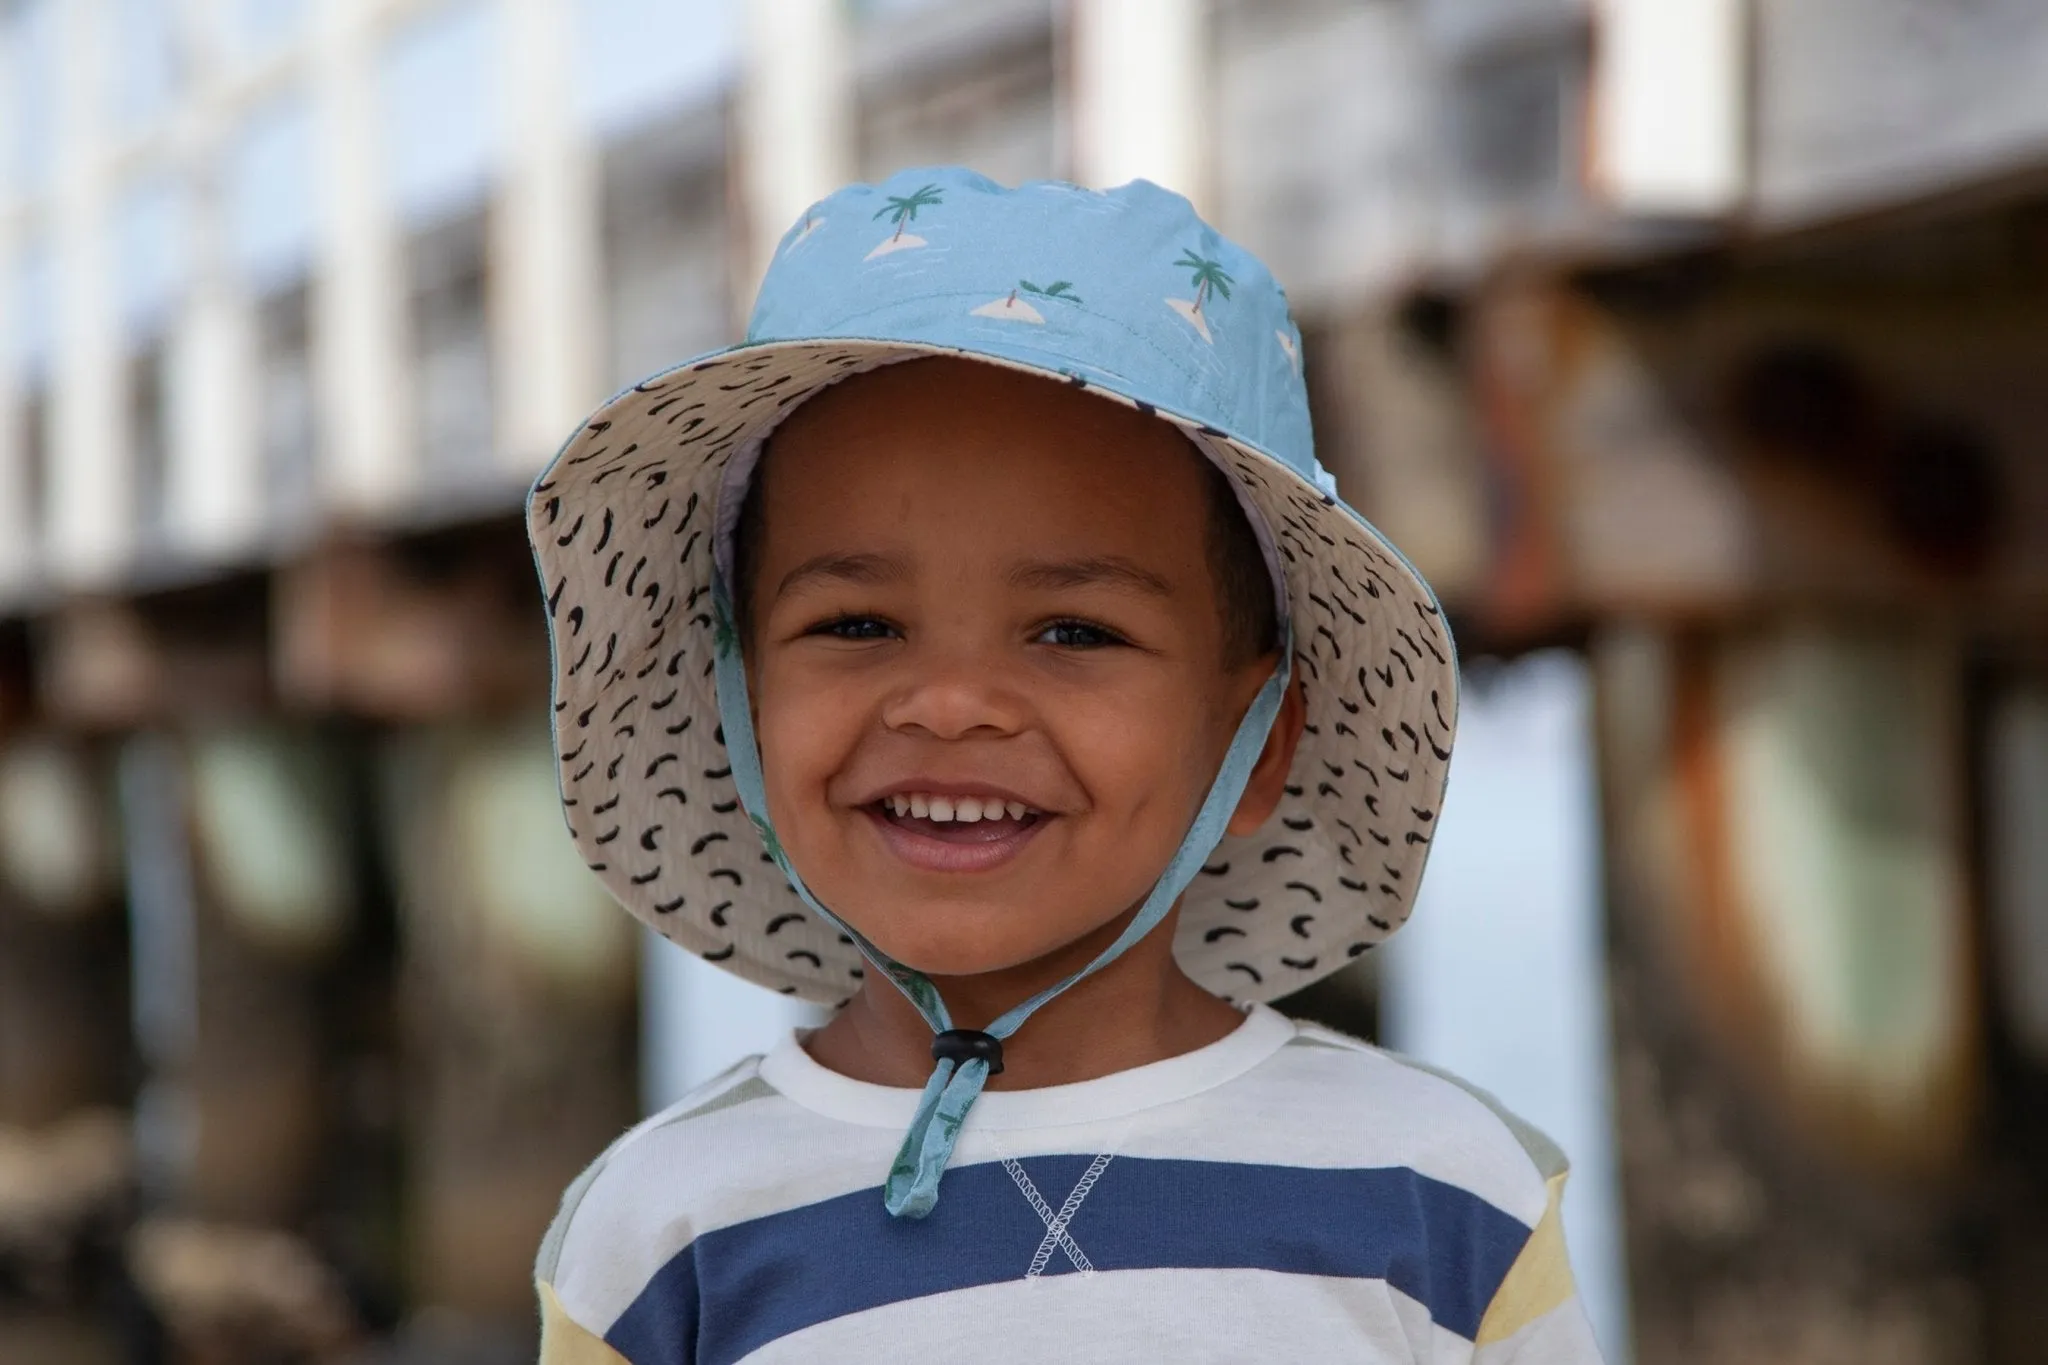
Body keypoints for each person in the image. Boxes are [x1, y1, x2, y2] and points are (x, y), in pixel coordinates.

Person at [526, 167, 1604, 1363]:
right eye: (856, 625)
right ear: (740, 706)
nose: (949, 705)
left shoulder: (1443, 1195)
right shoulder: (659, 1232)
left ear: (1258, 746)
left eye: (1074, 633)